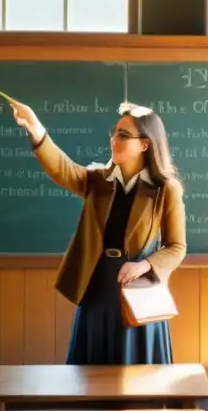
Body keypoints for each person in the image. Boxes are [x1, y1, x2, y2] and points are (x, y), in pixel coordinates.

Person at [11, 99, 186, 365]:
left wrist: (143, 265)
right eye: (114, 133)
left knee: (136, 371)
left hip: (137, 288)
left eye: (123, 135)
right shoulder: (98, 180)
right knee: (92, 367)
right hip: (98, 283)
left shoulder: (165, 189)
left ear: (145, 144)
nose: (114, 140)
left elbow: (176, 247)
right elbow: (63, 169)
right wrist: (36, 128)